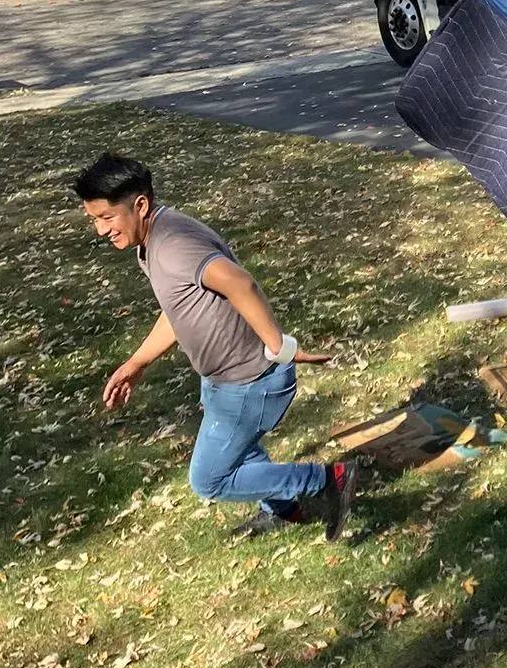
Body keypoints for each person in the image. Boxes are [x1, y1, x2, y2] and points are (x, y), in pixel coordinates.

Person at [72, 153, 356, 539]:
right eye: (93, 220)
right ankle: (284, 509)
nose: (100, 230)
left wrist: (280, 347)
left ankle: (325, 480)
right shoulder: (154, 240)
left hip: (249, 381)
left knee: (210, 480)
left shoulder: (172, 244)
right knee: (240, 448)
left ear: (140, 205)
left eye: (106, 218)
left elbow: (240, 283)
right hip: (224, 379)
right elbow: (178, 307)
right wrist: (138, 362)